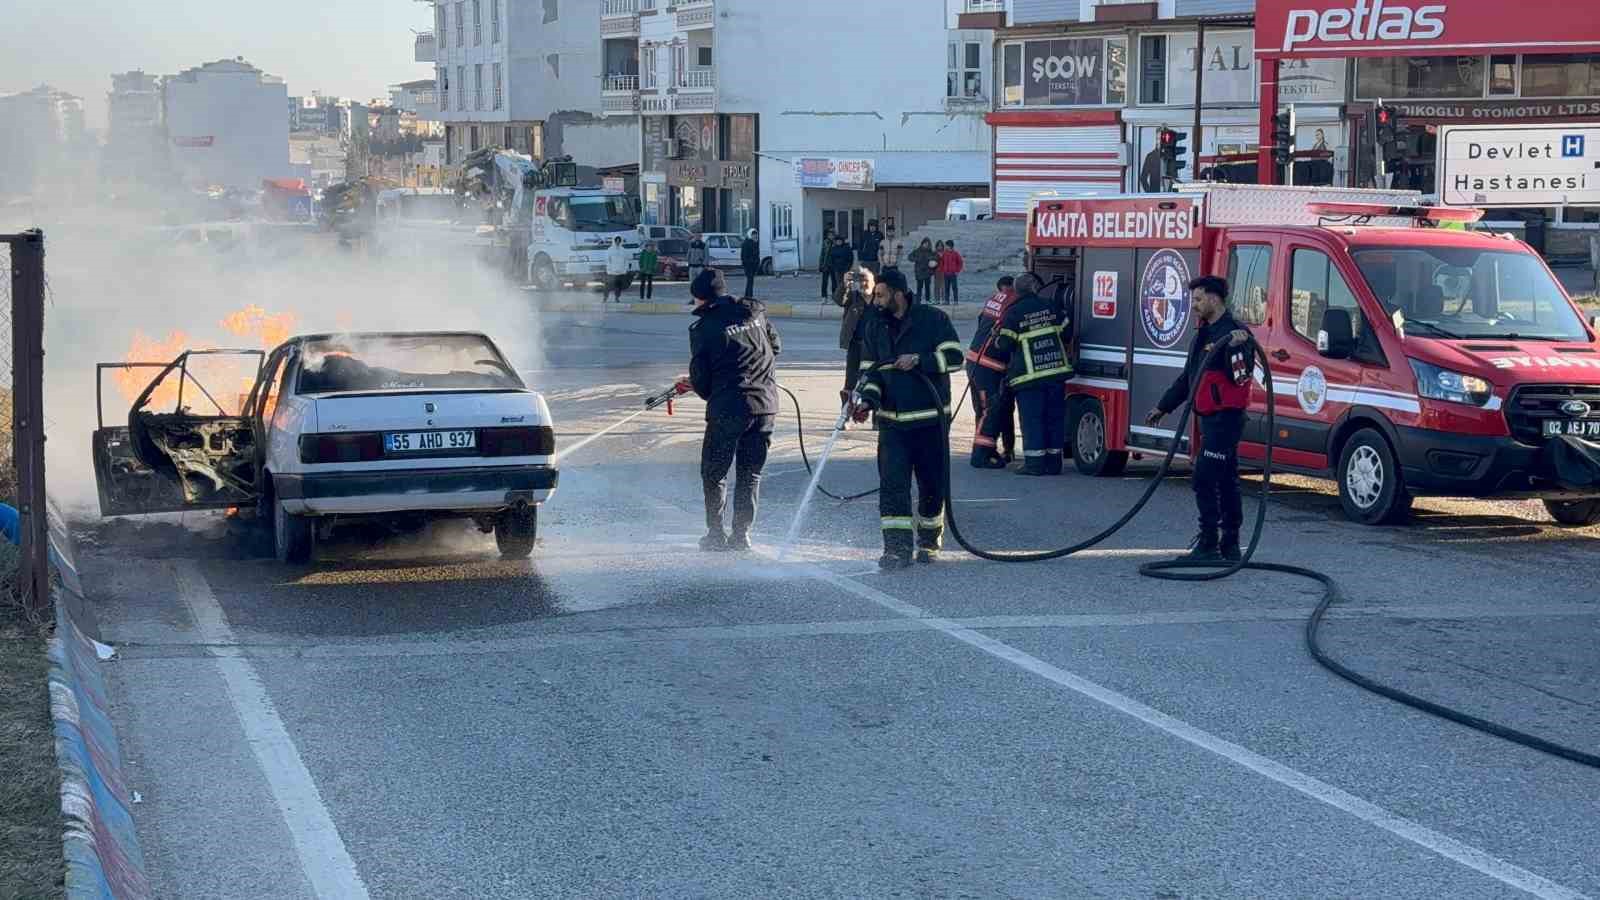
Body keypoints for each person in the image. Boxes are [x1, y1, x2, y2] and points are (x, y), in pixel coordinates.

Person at [848, 269, 966, 570]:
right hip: (891, 423)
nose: (876, 299)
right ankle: (896, 550)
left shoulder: (933, 320)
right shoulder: (875, 325)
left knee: (931, 485)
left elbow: (955, 357)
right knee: (892, 487)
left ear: (899, 294)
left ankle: (928, 541)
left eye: (881, 294)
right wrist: (867, 401)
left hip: (930, 421)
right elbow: (870, 372)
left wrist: (921, 361)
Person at [1144, 275, 1254, 562]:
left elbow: (1241, 377)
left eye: (1198, 299)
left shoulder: (1234, 334)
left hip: (1225, 420)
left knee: (1204, 477)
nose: (1194, 305)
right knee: (1226, 479)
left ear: (1214, 299)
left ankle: (1208, 542)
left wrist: (1236, 349)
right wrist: (1163, 406)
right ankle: (1229, 544)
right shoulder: (1204, 334)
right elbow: (1188, 377)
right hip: (1209, 418)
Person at [678, 268, 783, 552]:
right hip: (764, 407)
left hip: (728, 409)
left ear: (701, 299)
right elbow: (775, 347)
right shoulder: (755, 312)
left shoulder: (703, 328)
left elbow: (702, 381)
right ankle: (742, 535)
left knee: (715, 473)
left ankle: (715, 534)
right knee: (750, 474)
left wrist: (714, 385)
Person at [992, 273, 1073, 476]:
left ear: (1017, 291)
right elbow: (1067, 333)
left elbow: (1005, 345)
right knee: (1054, 419)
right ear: (1035, 289)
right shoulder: (1050, 305)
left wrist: (996, 336)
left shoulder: (1013, 312)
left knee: (1032, 420)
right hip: (1055, 374)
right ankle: (1054, 464)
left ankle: (1035, 464)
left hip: (1029, 378)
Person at [966, 276, 1018, 468]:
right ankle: (981, 454)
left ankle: (990, 449)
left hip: (976, 361)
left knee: (985, 410)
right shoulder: (1014, 303)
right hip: (989, 365)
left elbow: (982, 321)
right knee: (990, 410)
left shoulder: (996, 299)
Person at [827, 235, 855, 306]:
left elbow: (850, 258)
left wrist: (848, 267)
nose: (839, 242)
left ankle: (846, 297)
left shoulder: (846, 248)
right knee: (838, 283)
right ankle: (838, 297)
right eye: (837, 241)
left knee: (845, 283)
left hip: (845, 269)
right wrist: (833, 266)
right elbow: (831, 258)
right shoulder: (833, 248)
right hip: (837, 269)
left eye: (840, 241)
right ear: (836, 242)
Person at [604, 236, 631, 303]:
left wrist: (625, 269)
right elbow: (607, 260)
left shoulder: (624, 250)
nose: (618, 242)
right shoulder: (610, 249)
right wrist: (609, 269)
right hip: (611, 272)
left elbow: (626, 260)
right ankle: (605, 298)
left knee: (618, 287)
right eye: (616, 240)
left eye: (619, 240)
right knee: (608, 286)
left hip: (621, 272)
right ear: (614, 241)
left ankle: (617, 298)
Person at [940, 239, 964, 304]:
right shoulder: (944, 253)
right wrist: (942, 270)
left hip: (953, 274)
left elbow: (960, 262)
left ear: (950, 246)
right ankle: (947, 301)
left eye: (946, 246)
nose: (945, 247)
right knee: (946, 288)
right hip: (945, 274)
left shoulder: (955, 253)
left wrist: (957, 271)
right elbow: (941, 262)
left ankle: (956, 301)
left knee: (954, 288)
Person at [740, 228, 761, 299]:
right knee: (750, 280)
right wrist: (748, 263)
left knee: (750, 281)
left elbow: (757, 254)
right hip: (748, 266)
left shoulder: (755, 243)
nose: (755, 236)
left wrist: (757, 263)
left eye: (755, 235)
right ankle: (749, 295)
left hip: (753, 266)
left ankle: (748, 295)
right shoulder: (746, 243)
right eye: (753, 235)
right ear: (750, 235)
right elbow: (744, 256)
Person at [818, 227, 837, 300]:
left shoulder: (836, 242)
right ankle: (824, 296)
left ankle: (834, 295)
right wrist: (820, 265)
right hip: (826, 264)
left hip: (834, 265)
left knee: (834, 281)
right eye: (829, 235)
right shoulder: (825, 242)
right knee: (824, 281)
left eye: (832, 235)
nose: (831, 236)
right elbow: (822, 254)